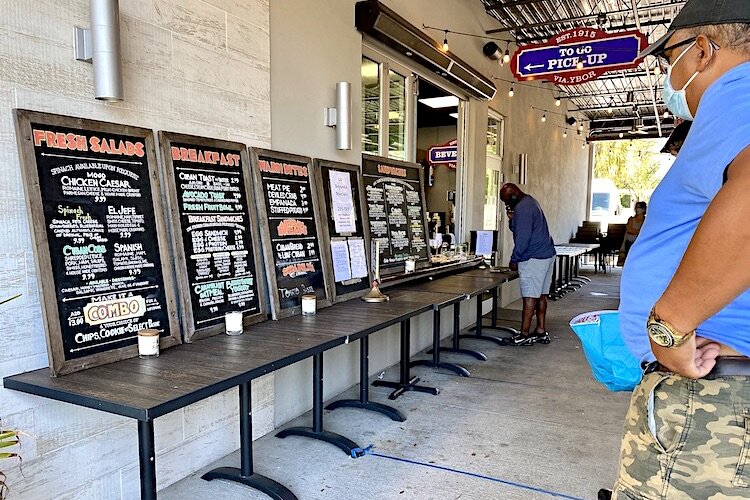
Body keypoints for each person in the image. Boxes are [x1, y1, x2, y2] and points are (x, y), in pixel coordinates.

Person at [614, 1, 750, 498]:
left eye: (666, 57)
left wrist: (668, 324)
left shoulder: (738, 93)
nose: (666, 75)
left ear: (701, 50)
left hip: (713, 392)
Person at [499, 183, 556, 346]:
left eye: (507, 201)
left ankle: (523, 334)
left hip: (533, 258)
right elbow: (520, 229)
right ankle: (540, 330)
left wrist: (514, 260)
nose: (506, 205)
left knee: (530, 297)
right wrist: (512, 220)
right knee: (541, 295)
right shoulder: (531, 201)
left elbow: (522, 239)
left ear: (514, 195)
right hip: (547, 254)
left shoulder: (522, 209)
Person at [617, 201, 647, 265]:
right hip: (630, 242)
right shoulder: (631, 219)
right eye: (636, 207)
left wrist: (636, 232)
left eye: (639, 207)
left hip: (641, 243)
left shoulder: (646, 220)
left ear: (644, 209)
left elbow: (647, 231)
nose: (637, 209)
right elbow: (630, 230)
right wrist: (640, 232)